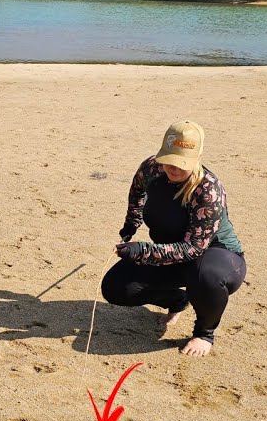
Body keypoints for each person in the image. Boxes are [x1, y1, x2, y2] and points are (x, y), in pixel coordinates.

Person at [101, 121, 246, 357]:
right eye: (168, 159)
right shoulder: (150, 168)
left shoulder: (208, 190)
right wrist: (131, 225)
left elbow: (192, 249)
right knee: (115, 287)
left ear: (197, 158)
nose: (173, 169)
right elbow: (136, 194)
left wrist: (142, 251)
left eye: (182, 163)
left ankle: (204, 332)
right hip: (169, 254)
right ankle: (179, 299)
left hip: (215, 256)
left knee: (205, 275)